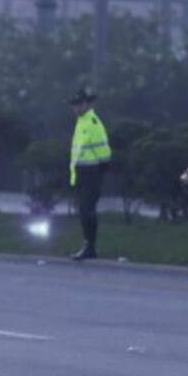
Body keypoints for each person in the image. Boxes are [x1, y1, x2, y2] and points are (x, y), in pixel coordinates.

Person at [68, 87, 111, 261]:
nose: (76, 108)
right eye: (74, 105)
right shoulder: (81, 122)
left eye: (79, 104)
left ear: (87, 104)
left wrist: (99, 172)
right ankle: (88, 245)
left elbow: (103, 151)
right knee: (84, 210)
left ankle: (90, 247)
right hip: (81, 172)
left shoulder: (92, 123)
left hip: (92, 172)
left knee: (87, 210)